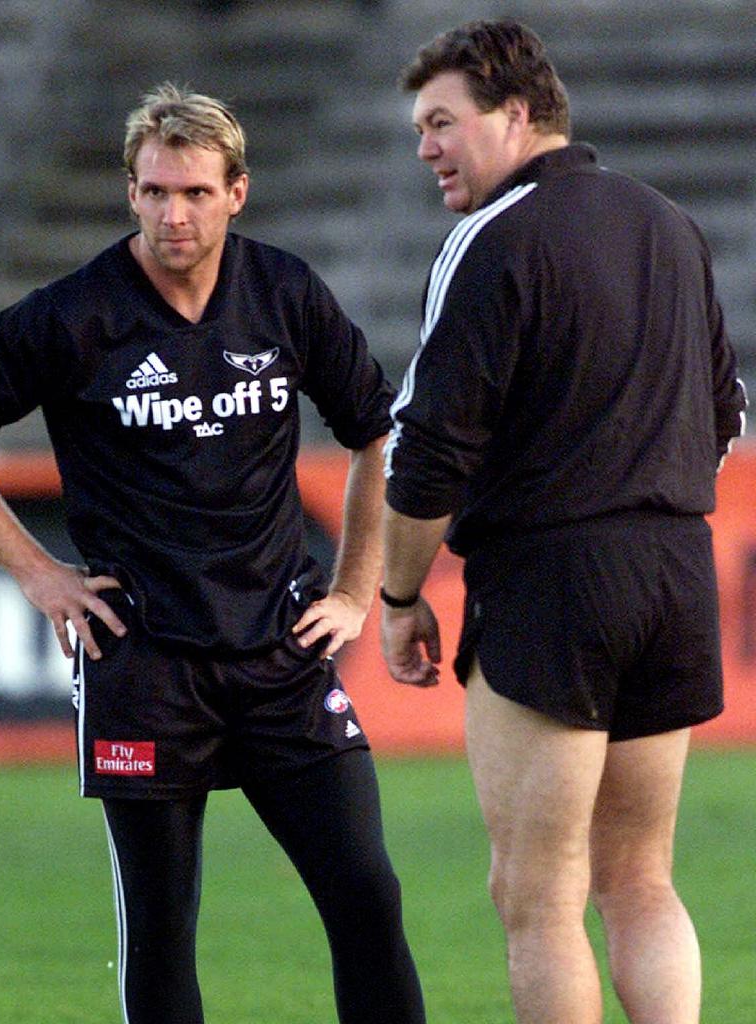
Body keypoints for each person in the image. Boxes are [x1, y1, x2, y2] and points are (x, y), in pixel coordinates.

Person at [0, 83, 426, 1024]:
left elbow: (377, 434)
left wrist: (354, 587)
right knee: (160, 924)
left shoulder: (284, 293)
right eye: (152, 192)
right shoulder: (75, 314)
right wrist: (37, 571)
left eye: (192, 193)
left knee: (367, 896)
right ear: (131, 194)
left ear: (237, 193)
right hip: (142, 661)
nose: (171, 214)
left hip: (283, 655)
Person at [379, 20, 746, 1024]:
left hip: (554, 578)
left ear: (515, 114)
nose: (427, 148)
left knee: (536, 898)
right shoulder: (669, 222)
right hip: (675, 570)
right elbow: (726, 417)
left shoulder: (495, 239)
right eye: (421, 128)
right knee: (642, 879)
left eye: (442, 122)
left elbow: (429, 453)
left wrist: (401, 595)